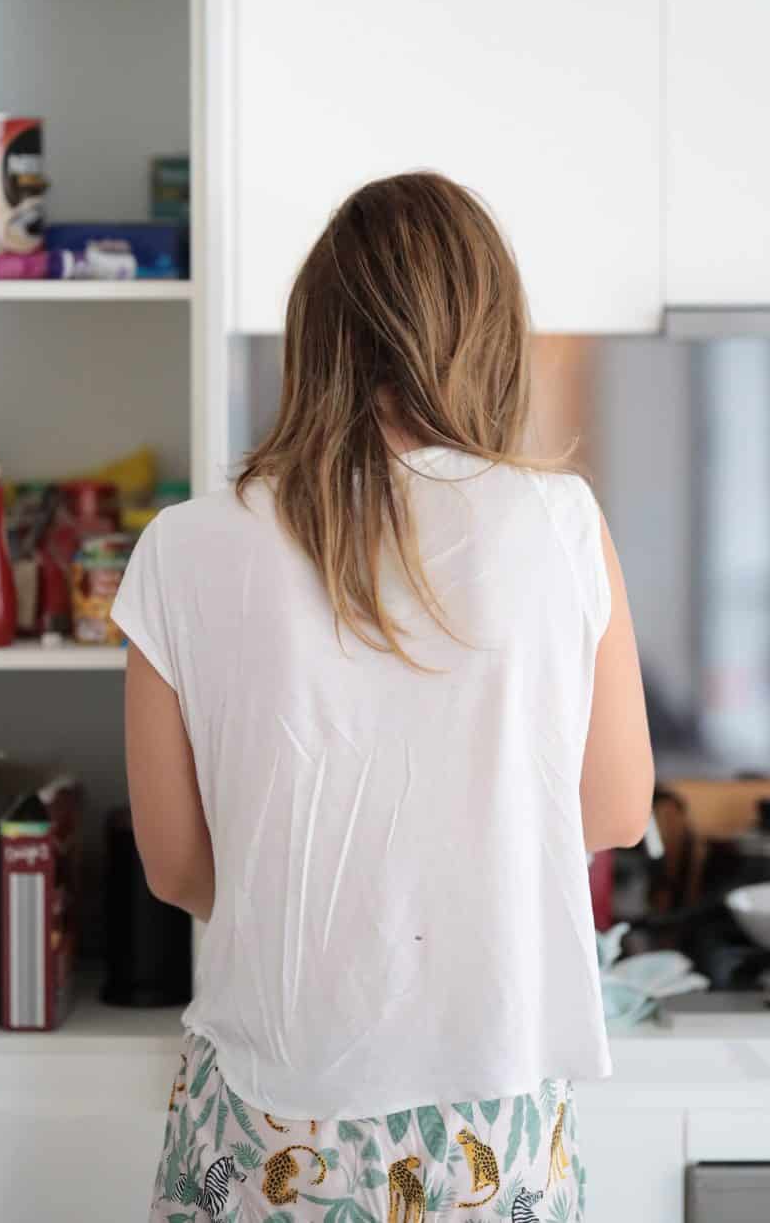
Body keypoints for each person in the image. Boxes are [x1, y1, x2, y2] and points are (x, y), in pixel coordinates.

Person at [112, 172, 653, 1223]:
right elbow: (615, 810)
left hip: (267, 1113)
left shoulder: (182, 546)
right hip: (487, 1117)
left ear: (316, 335)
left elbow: (177, 867)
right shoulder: (559, 525)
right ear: (486, 334)